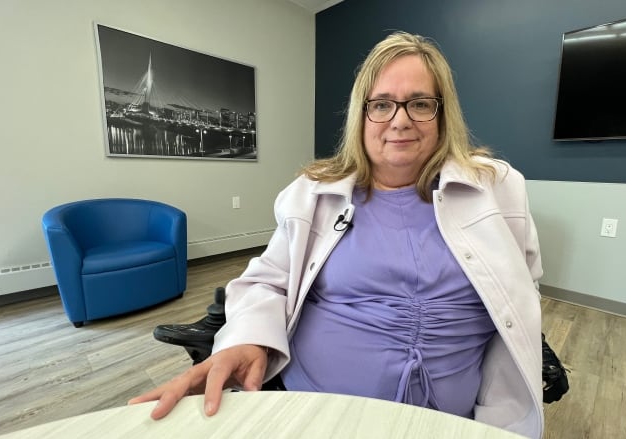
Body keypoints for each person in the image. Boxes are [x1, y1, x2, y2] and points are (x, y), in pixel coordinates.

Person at [129, 31, 544, 438]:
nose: (400, 121)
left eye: (419, 103)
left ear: (442, 113)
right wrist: (248, 341)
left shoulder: (497, 188)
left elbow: (519, 293)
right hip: (314, 408)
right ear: (361, 116)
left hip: (449, 422)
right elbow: (267, 281)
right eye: (381, 104)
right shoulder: (314, 193)